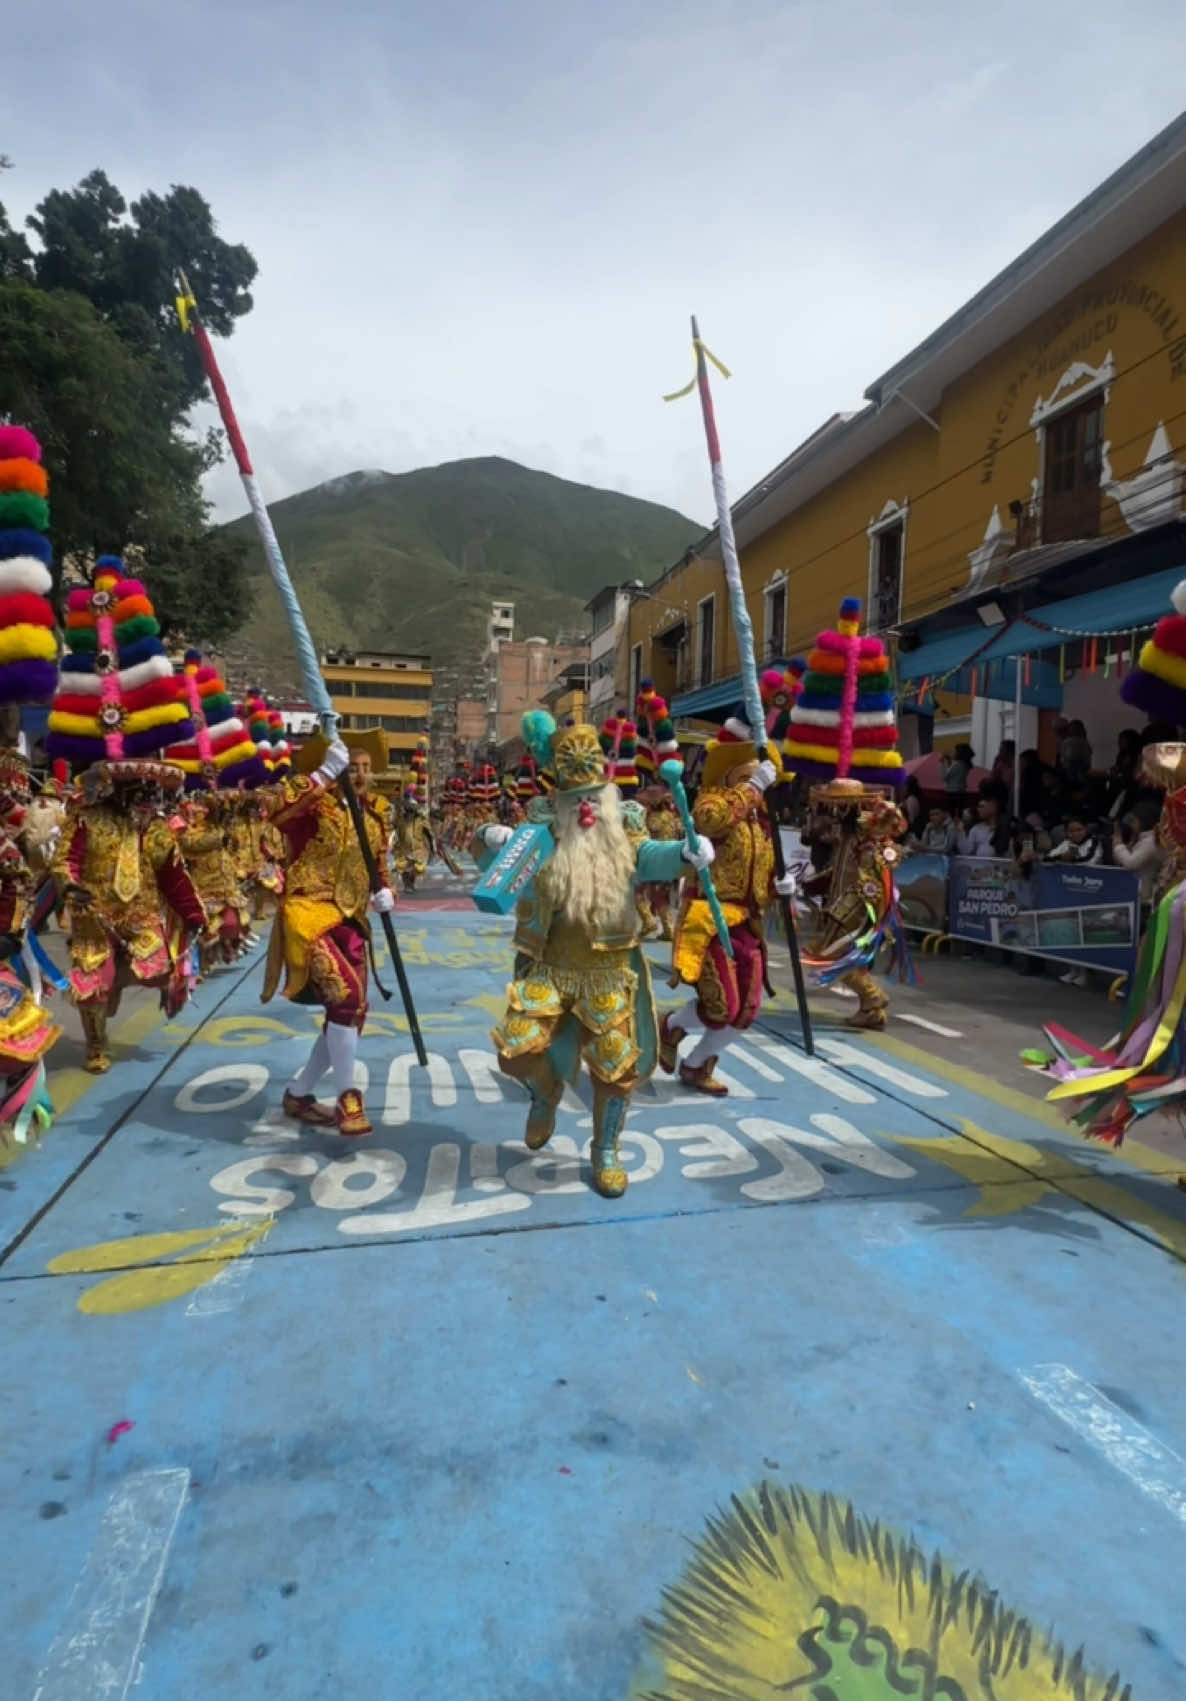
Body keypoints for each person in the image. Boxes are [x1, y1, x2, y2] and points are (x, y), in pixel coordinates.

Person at [476, 711, 710, 1197]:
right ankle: (545, 1094)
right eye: (575, 796)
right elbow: (498, 871)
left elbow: (649, 856)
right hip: (549, 964)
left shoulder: (625, 823)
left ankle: (606, 1150)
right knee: (513, 1050)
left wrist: (686, 855)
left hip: (608, 969)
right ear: (559, 793)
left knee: (615, 1069)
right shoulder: (541, 824)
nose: (586, 805)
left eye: (592, 793)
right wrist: (489, 840)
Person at [46, 558, 208, 1074]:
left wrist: (194, 914)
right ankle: (96, 1043)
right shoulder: (86, 818)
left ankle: (123, 997)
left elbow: (172, 874)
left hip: (139, 913)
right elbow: (63, 862)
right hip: (94, 912)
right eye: (128, 784)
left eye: (140, 785)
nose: (136, 792)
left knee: (155, 968)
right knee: (94, 984)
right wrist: (71, 890)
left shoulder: (153, 827)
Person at [264, 733, 395, 1136]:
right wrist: (320, 775)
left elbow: (376, 864)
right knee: (346, 997)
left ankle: (299, 1094)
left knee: (352, 1012)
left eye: (364, 768)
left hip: (351, 920)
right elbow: (276, 812)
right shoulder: (314, 803)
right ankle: (347, 1096)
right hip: (309, 913)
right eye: (351, 767)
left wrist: (384, 889)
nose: (359, 775)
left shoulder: (375, 816)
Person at [660, 713, 790, 1094]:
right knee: (721, 1008)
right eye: (747, 773)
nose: (758, 784)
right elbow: (711, 822)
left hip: (747, 925)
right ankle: (669, 1025)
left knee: (746, 1012)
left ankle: (696, 1065)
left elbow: (759, 880)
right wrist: (751, 788)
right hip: (711, 921)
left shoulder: (761, 825)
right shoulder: (710, 803)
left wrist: (781, 886)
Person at [1111, 801, 1164, 904]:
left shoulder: (1151, 841)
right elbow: (1121, 862)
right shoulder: (1143, 839)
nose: (1131, 824)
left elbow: (1131, 863)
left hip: (1144, 897)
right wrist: (1124, 845)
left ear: (1143, 821)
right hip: (1134, 893)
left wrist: (1118, 844)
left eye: (1133, 821)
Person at [959, 785, 1011, 858]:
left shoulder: (1008, 828)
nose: (978, 809)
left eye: (982, 806)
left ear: (994, 806)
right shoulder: (976, 829)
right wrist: (960, 833)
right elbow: (967, 853)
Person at [1058, 719, 1093, 784]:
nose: (1074, 731)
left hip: (1082, 771)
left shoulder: (1085, 742)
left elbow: (1088, 756)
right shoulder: (1066, 742)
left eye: (1076, 729)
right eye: (1072, 729)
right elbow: (1063, 757)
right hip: (1069, 772)